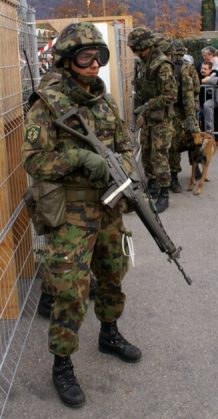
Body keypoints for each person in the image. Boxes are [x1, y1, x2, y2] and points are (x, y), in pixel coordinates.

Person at [22, 22, 141, 408]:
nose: (94, 65)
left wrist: (119, 166)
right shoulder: (48, 103)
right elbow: (35, 161)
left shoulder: (104, 103)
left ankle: (109, 332)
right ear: (67, 60)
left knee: (112, 272)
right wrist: (81, 158)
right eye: (84, 57)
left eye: (99, 57)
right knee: (70, 291)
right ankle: (62, 364)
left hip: (109, 205)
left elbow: (125, 145)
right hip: (70, 212)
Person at [128, 27, 177, 212]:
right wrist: (140, 113)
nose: (135, 53)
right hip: (148, 119)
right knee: (146, 153)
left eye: (136, 49)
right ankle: (153, 185)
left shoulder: (162, 64)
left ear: (145, 45)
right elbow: (140, 91)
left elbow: (170, 95)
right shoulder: (143, 63)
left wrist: (147, 106)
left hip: (161, 120)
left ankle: (164, 193)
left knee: (159, 155)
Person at [164, 39, 201, 192]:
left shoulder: (167, 68)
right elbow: (197, 88)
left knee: (174, 145)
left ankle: (174, 178)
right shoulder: (190, 68)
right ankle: (196, 168)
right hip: (189, 112)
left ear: (171, 53)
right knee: (194, 139)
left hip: (172, 112)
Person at [198, 61, 218, 142]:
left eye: (205, 69)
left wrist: (209, 80)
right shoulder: (198, 75)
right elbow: (194, 82)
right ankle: (204, 137)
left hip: (215, 101)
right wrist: (202, 81)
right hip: (201, 102)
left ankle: (215, 139)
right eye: (202, 68)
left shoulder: (216, 73)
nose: (203, 70)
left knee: (216, 119)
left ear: (210, 70)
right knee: (202, 118)